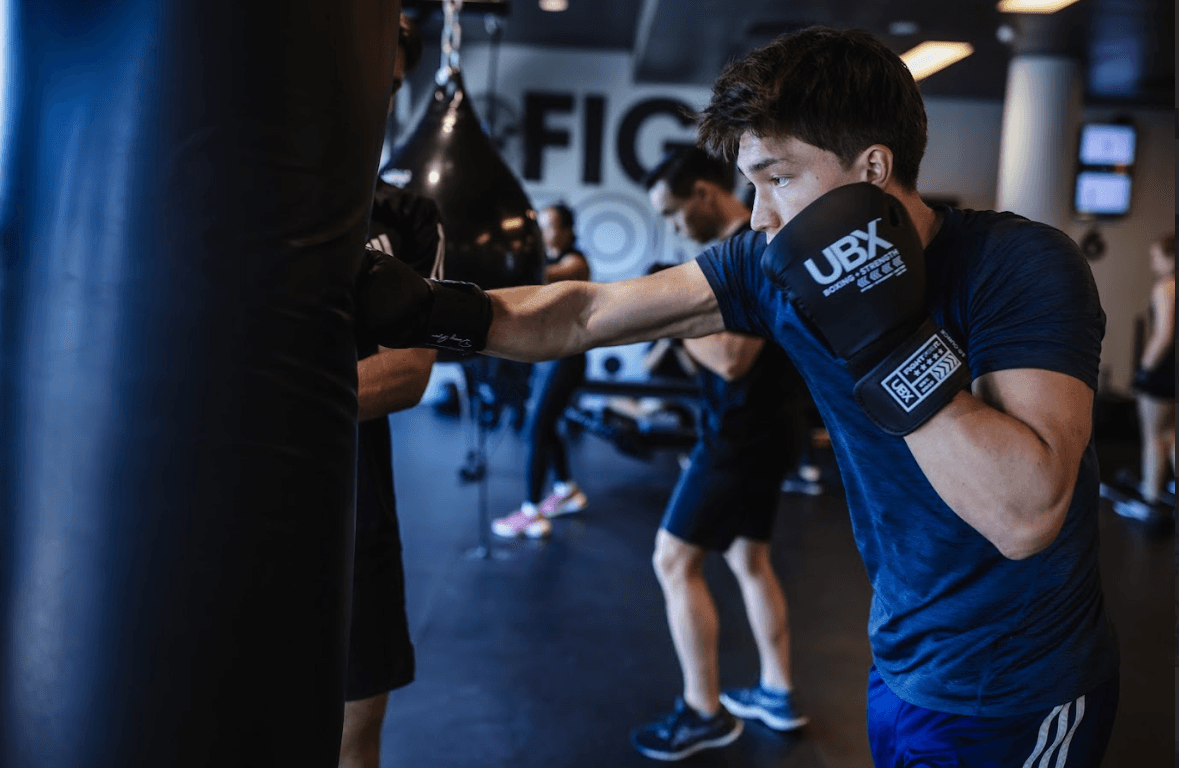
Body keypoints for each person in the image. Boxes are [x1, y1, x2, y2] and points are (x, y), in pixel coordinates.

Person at [360, 26, 1120, 766]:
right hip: (901, 657)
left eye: (777, 178)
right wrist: (433, 311)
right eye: (751, 185)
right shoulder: (766, 264)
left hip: (1021, 687)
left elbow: (1024, 517)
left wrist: (880, 333)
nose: (759, 216)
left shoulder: (1017, 265)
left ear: (872, 168)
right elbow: (586, 313)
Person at [622, 147, 809, 761]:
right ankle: (777, 692)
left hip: (741, 435)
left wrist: (667, 317)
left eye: (675, 212)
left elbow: (732, 358)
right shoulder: (740, 247)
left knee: (673, 560)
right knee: (749, 560)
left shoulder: (750, 249)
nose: (675, 226)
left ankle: (703, 713)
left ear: (704, 193)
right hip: (759, 430)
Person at [339, 13, 436, 768]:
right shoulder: (236, 194)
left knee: (353, 734)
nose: (379, 97)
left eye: (392, 83)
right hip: (221, 514)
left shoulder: (406, 216)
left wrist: (253, 401)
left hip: (355, 513)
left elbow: (406, 373)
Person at [491, 203, 591, 538]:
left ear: (567, 231)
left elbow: (548, 274)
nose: (542, 232)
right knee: (545, 426)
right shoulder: (545, 259)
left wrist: (506, 262)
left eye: (549, 226)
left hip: (567, 359)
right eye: (541, 226)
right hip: (548, 356)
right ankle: (566, 489)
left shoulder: (576, 261)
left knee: (536, 429)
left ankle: (531, 512)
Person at [1114, 231, 1175, 521]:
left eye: (1156, 257)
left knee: (1153, 436)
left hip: (1162, 371)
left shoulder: (1166, 287)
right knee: (1172, 433)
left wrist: (1143, 371)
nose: (1153, 263)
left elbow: (1164, 335)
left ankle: (1150, 500)